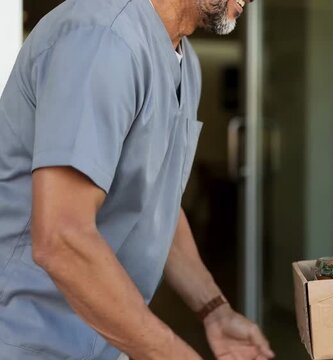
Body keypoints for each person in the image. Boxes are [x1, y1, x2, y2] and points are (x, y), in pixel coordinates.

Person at [0, 0, 274, 358]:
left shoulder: (184, 62)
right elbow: (61, 239)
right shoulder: (101, 40)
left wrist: (214, 310)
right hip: (25, 341)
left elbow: (152, 204)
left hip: (100, 341)